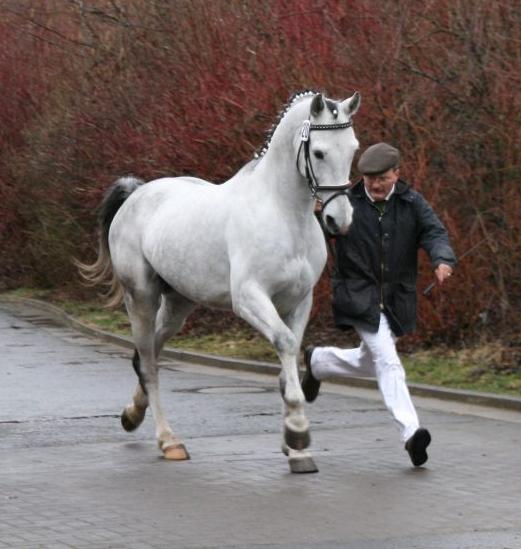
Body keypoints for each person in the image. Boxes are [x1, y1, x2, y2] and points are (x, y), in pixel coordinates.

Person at [302, 142, 456, 467]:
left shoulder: (412, 203)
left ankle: (318, 362)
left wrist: (441, 259)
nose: (375, 184)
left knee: (368, 361)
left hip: (397, 299)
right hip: (358, 295)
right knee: (388, 361)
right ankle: (411, 433)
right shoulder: (347, 203)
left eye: (382, 177)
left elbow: (434, 232)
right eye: (370, 178)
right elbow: (315, 234)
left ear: (397, 174)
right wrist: (315, 215)